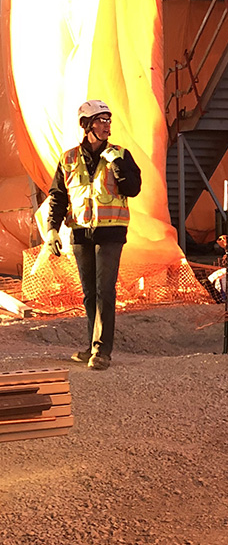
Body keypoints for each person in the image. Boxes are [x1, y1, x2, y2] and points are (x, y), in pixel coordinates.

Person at [45, 99, 142, 371]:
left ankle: (102, 351)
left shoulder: (120, 154)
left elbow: (133, 189)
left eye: (108, 120)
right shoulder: (69, 159)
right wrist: (52, 229)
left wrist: (117, 165)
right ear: (86, 125)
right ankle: (91, 345)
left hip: (111, 232)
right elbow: (58, 196)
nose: (107, 125)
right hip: (80, 232)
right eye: (100, 120)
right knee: (89, 293)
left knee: (104, 291)